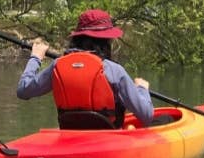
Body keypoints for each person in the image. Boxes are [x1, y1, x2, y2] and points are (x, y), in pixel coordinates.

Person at [17, 8, 154, 129]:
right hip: (108, 138)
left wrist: (35, 58)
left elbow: (23, 91)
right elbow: (147, 115)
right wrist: (142, 89)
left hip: (70, 136)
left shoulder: (57, 66)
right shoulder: (114, 71)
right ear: (106, 41)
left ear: (77, 38)